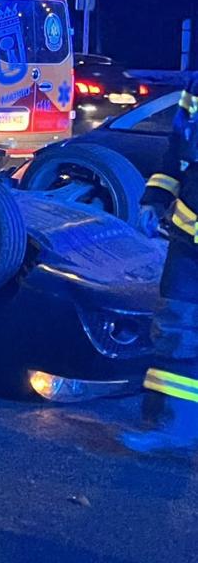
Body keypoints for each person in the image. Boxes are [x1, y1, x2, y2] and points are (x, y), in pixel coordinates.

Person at [120, 75, 198, 454]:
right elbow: (177, 149)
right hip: (189, 242)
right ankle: (169, 426)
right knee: (175, 332)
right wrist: (154, 197)